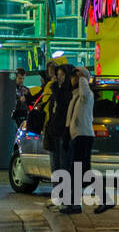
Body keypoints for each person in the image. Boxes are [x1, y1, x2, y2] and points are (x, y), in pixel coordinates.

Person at [64, 66, 109, 214]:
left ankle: (81, 203)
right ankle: (77, 204)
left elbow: (84, 90)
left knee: (81, 172)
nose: (72, 79)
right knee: (79, 172)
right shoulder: (76, 97)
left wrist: (83, 76)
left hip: (83, 137)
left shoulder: (86, 95)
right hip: (78, 137)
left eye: (76, 76)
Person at [43, 61, 73, 204]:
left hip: (64, 134)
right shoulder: (55, 91)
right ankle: (57, 197)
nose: (59, 77)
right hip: (53, 133)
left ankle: (64, 198)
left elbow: (63, 109)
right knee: (55, 167)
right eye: (58, 74)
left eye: (62, 75)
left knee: (63, 167)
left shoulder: (68, 93)